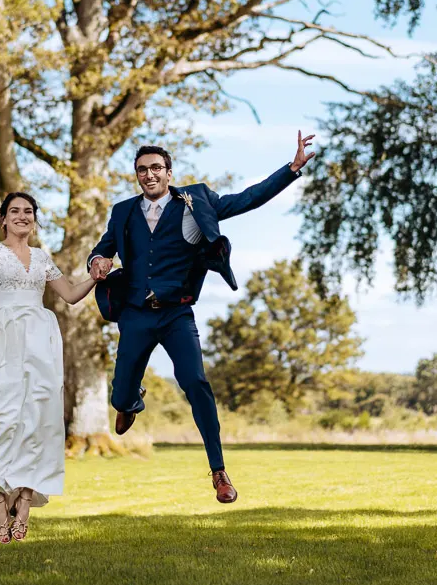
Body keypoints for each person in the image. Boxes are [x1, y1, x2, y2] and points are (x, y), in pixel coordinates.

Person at [87, 132, 317, 503]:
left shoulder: (196, 202)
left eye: (156, 168)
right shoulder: (123, 211)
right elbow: (102, 249)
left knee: (196, 382)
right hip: (135, 315)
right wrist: (97, 261)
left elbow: (247, 199)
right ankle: (131, 402)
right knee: (120, 393)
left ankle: (219, 472)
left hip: (177, 312)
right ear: (136, 175)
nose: (149, 175)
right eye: (142, 170)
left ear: (169, 172)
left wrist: (291, 169)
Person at [0, 192, 96, 542]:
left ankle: (26, 501)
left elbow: (72, 294)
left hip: (40, 340)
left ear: (35, 219)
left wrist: (96, 276)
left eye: (28, 212)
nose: (22, 216)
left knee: (39, 419)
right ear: (3, 219)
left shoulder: (43, 258)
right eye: (14, 211)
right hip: (2, 339)